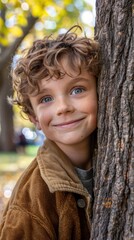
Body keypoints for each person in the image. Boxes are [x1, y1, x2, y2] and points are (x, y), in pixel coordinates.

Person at [0, 25, 100, 239]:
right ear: (34, 117)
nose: (62, 107)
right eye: (46, 99)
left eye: (77, 90)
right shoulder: (30, 203)